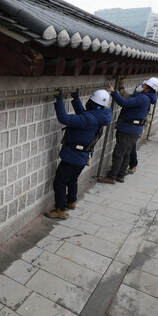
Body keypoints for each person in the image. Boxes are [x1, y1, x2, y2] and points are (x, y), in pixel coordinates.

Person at [44, 89, 112, 219]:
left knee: (59, 182)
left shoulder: (89, 119)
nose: (88, 103)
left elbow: (64, 118)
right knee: (72, 179)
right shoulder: (99, 115)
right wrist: (76, 99)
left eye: (90, 101)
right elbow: (84, 115)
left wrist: (59, 100)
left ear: (94, 104)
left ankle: (60, 210)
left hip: (72, 156)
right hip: (82, 156)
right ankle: (71, 201)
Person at [97, 77, 158, 184]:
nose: (141, 85)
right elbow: (127, 97)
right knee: (126, 153)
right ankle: (120, 175)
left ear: (148, 89)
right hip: (134, 130)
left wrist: (113, 92)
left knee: (119, 153)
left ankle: (111, 177)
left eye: (144, 85)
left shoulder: (143, 98)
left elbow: (124, 103)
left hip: (128, 129)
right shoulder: (146, 97)